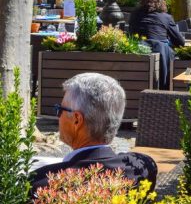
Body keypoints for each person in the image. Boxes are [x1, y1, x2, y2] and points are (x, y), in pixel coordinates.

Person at [29, 73, 157, 196]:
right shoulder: (143, 167)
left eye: (59, 110)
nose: (58, 116)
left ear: (77, 120)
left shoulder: (41, 183)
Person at [128, 0, 185, 89]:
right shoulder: (166, 17)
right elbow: (180, 42)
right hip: (161, 55)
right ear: (161, 1)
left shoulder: (134, 15)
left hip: (138, 55)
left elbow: (131, 34)